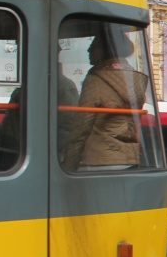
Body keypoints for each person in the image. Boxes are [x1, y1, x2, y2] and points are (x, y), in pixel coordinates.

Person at [62, 32, 148, 171]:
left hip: (98, 160)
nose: (88, 50)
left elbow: (81, 127)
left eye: (93, 47)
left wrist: (69, 164)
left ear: (105, 50)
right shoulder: (135, 80)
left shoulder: (96, 80)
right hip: (129, 160)